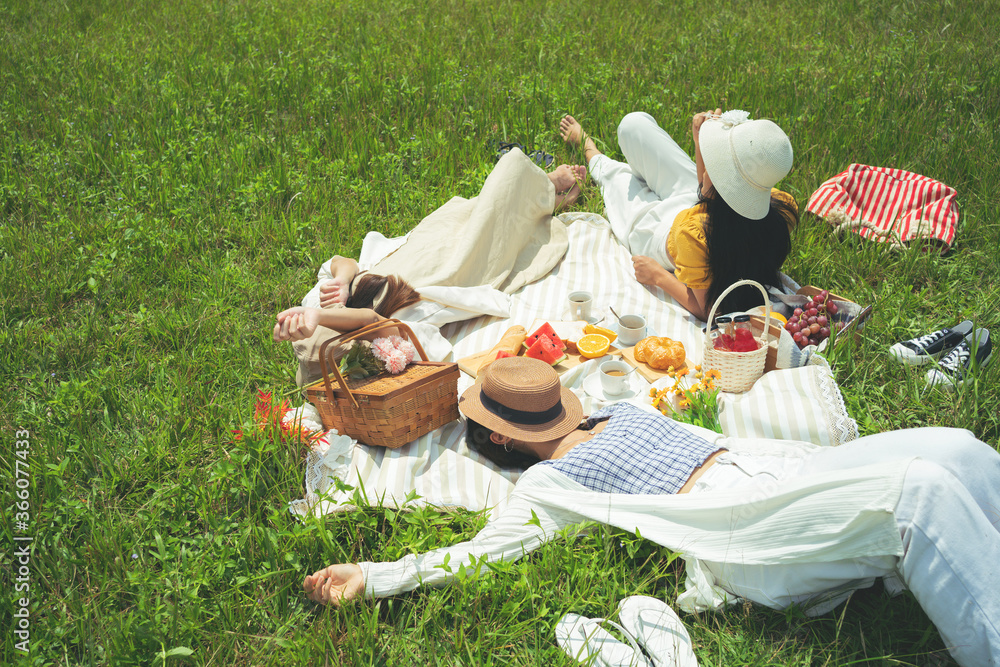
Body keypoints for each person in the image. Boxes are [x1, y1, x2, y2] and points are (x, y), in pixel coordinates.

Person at [303, 357, 1000, 667]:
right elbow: (484, 550)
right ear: (506, 442)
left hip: (783, 472)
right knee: (921, 494)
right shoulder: (550, 484)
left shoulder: (619, 406)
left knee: (959, 450)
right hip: (741, 524)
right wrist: (379, 572)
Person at [273, 150, 586, 384]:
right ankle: (546, 195)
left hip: (421, 248)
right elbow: (374, 321)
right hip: (451, 269)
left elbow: (342, 262)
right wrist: (321, 317)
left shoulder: (324, 301)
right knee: (502, 195)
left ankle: (543, 190)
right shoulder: (384, 341)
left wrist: (342, 281)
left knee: (472, 213)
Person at [559, 111, 799, 320]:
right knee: (634, 125)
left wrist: (659, 276)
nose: (707, 165)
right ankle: (631, 167)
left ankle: (588, 148)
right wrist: (699, 143)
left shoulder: (693, 238)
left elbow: (709, 310)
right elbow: (710, 197)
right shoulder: (778, 205)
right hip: (697, 205)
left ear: (720, 183)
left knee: (616, 179)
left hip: (659, 235)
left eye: (714, 163)